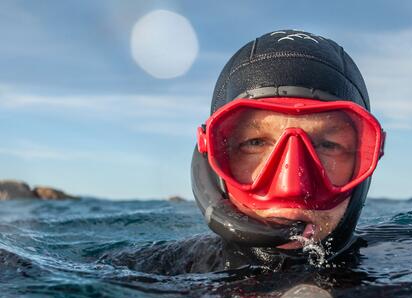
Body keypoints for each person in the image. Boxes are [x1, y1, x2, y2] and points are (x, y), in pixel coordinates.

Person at [101, 29, 385, 274]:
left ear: (366, 158)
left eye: (327, 145)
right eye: (255, 142)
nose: (292, 185)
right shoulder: (143, 272)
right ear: (211, 155)